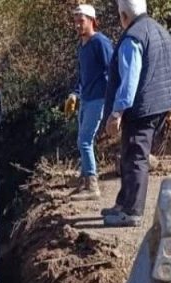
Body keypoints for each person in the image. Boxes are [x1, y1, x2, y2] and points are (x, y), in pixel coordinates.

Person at [102, 0, 171, 227]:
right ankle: (123, 203)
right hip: (160, 103)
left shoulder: (132, 38)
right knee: (130, 154)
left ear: (124, 14)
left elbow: (130, 79)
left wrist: (117, 113)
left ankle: (132, 211)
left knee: (135, 157)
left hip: (142, 107)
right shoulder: (159, 30)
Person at [66, 4, 113, 201]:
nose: (77, 25)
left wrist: (113, 101)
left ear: (92, 21)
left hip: (98, 99)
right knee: (82, 140)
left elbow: (113, 69)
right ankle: (85, 180)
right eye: (76, 21)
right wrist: (75, 94)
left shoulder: (100, 42)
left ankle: (92, 185)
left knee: (85, 141)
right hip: (86, 99)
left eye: (81, 21)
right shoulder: (82, 46)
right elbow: (83, 76)